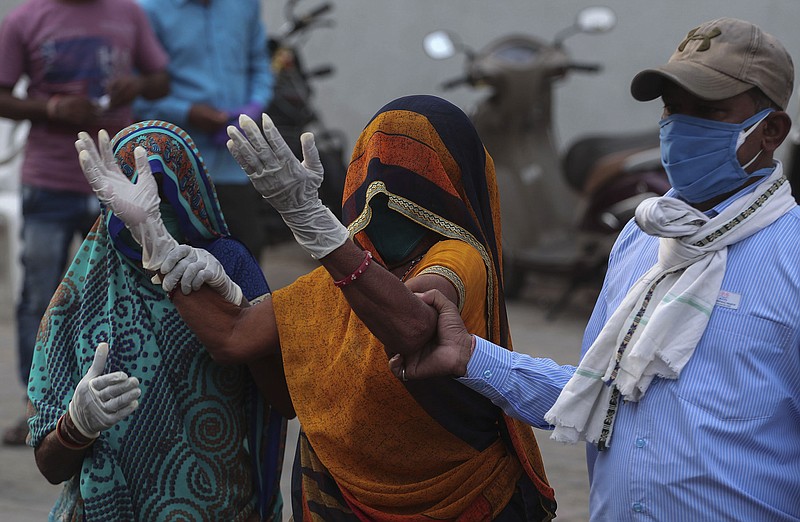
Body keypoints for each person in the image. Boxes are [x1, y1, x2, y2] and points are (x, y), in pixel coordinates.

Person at [391, 18, 800, 522]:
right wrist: (470, 355)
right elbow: (596, 392)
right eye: (673, 108)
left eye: (709, 111)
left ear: (773, 130)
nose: (681, 126)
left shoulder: (791, 257)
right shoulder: (643, 239)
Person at [77, 95, 559, 519]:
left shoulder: (460, 257)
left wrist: (312, 222)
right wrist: (154, 240)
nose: (385, 191)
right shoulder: (349, 274)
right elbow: (234, 337)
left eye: (408, 177)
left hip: (466, 498)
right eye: (376, 169)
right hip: (341, 499)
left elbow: (415, 328)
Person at [31, 121, 288, 520]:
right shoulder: (80, 295)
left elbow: (285, 399)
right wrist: (76, 424)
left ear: (194, 199)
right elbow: (50, 464)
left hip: (217, 506)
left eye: (169, 198)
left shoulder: (228, 265)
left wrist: (240, 311)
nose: (155, 219)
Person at [0, 0, 170, 446]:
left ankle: (122, 404)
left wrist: (136, 85)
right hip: (50, 181)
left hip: (118, 184)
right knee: (41, 294)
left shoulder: (129, 13)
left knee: (124, 294)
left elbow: (160, 78)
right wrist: (53, 109)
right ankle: (37, 408)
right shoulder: (24, 19)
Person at [132, 0, 274, 258]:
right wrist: (186, 112)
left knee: (247, 257)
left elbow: (260, 64)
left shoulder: (245, 5)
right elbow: (137, 93)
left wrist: (254, 105)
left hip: (236, 164)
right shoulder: (147, 10)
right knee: (180, 268)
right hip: (175, 167)